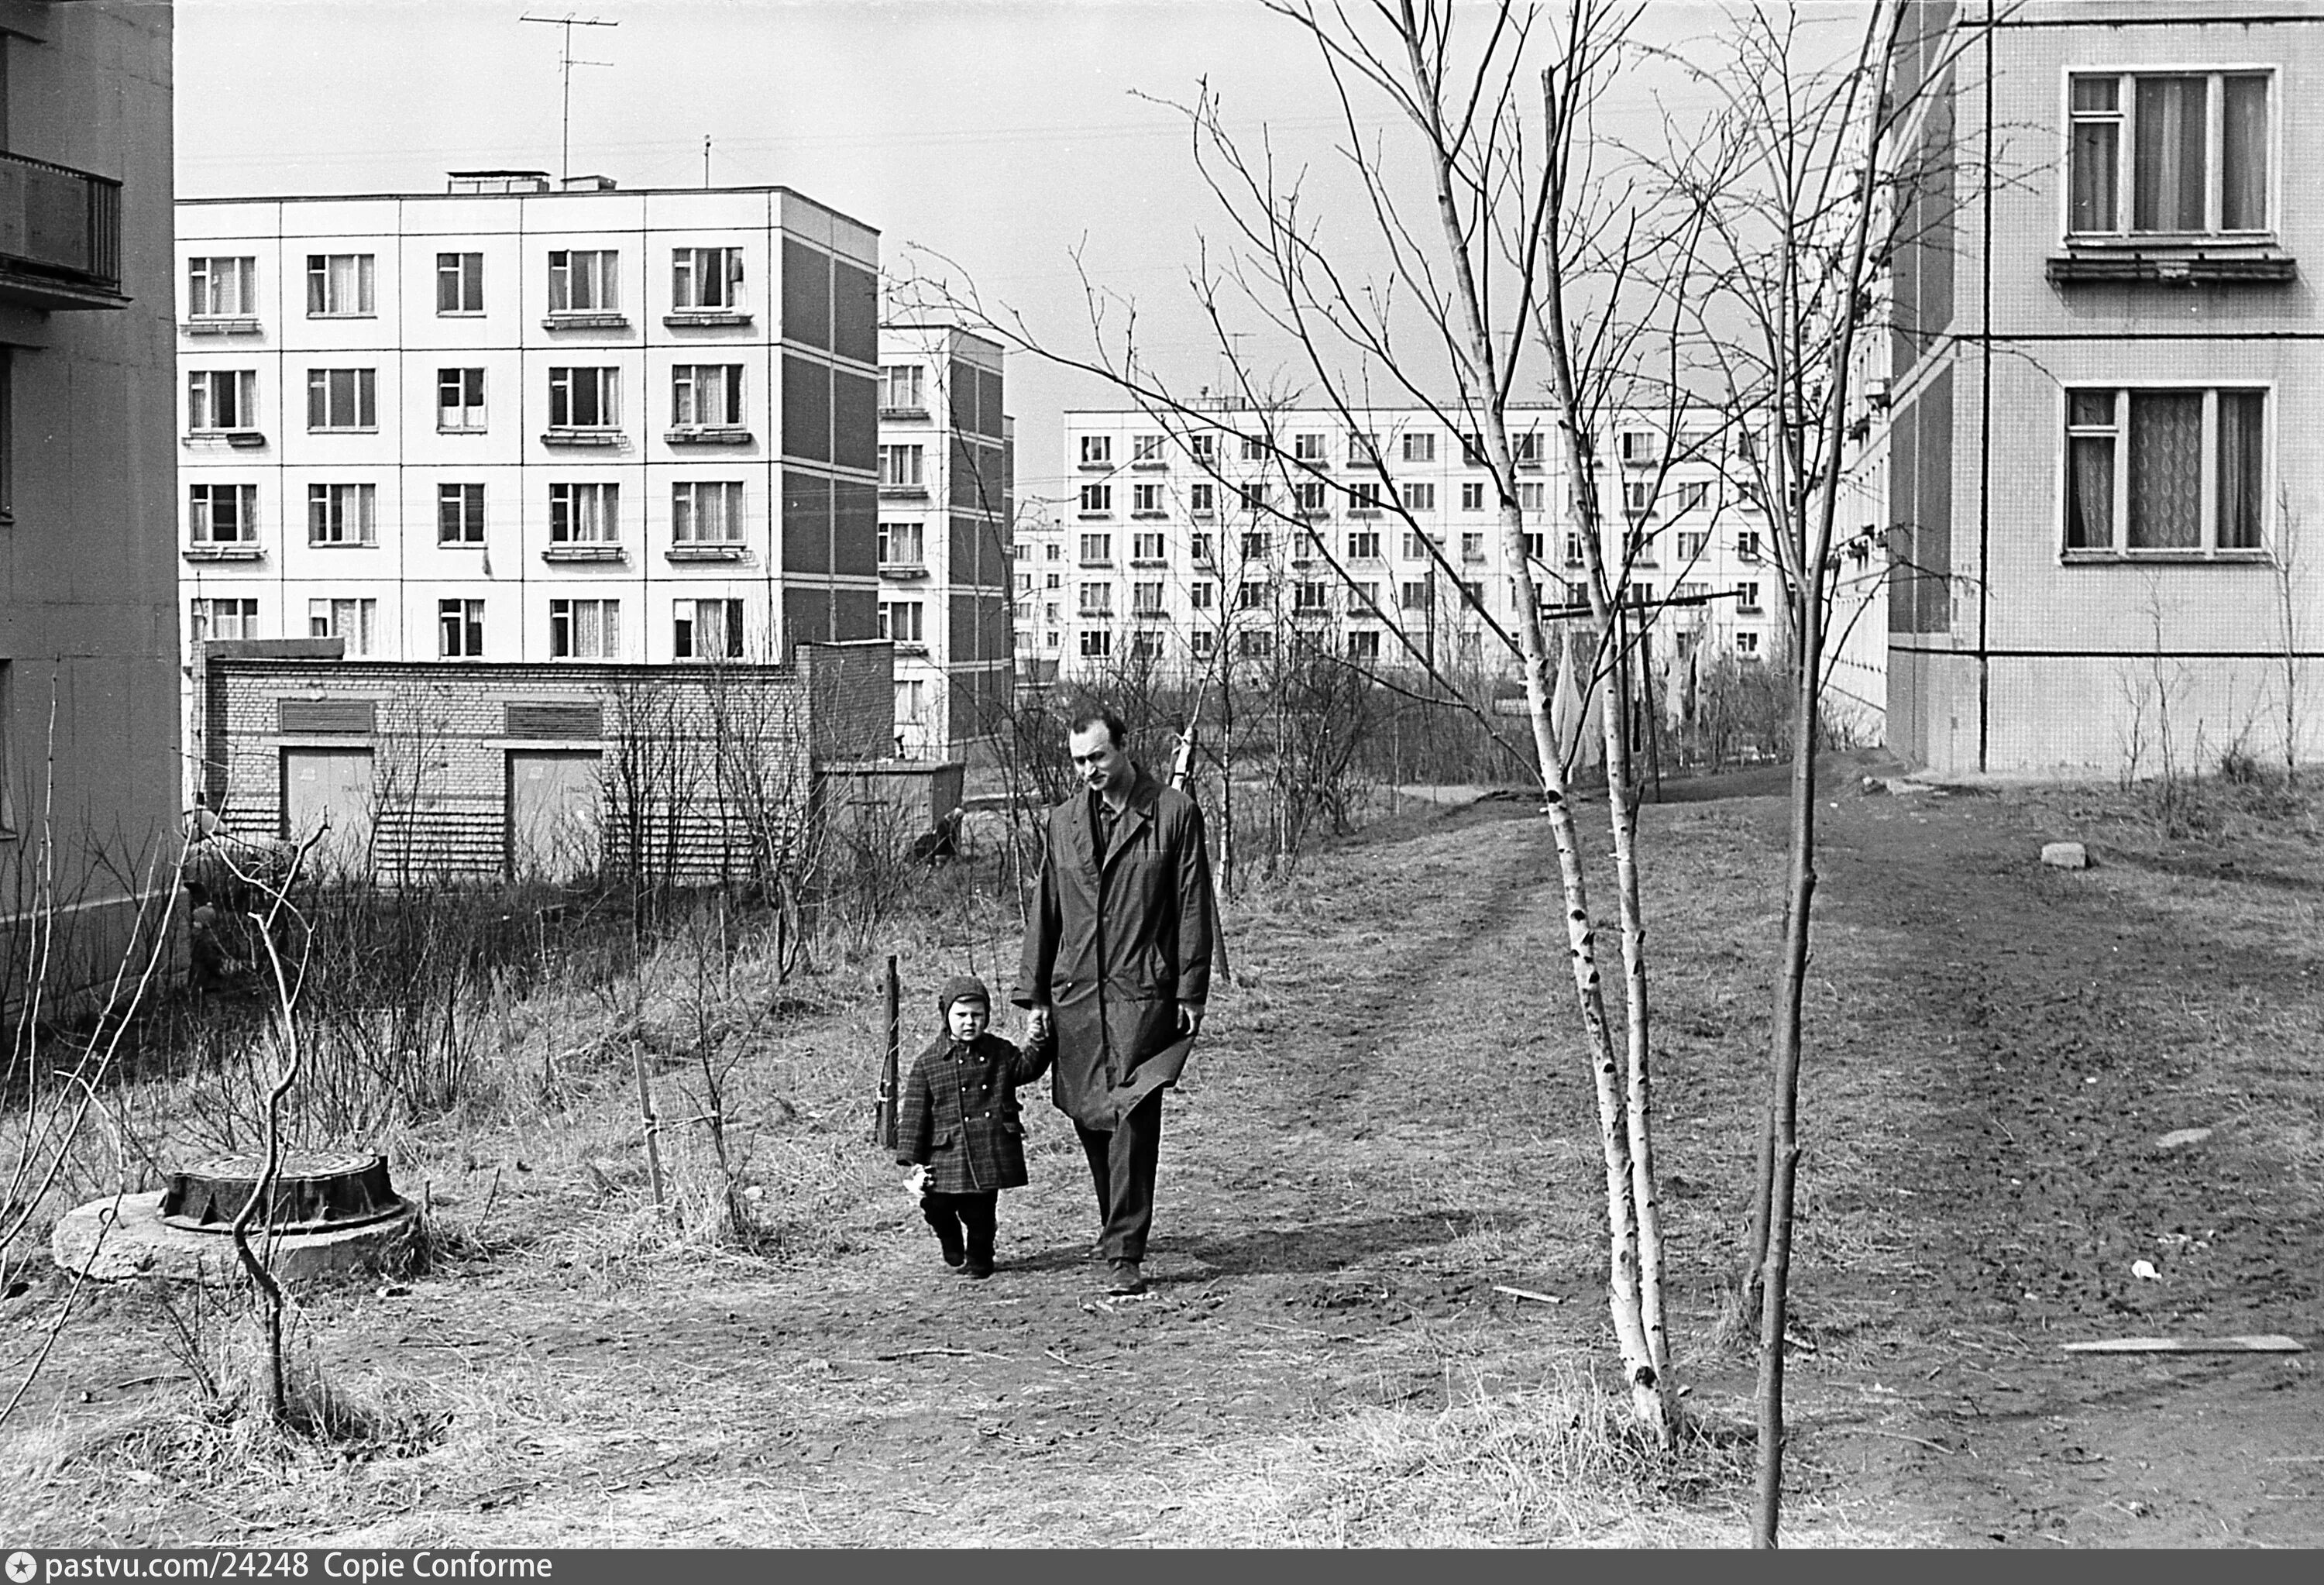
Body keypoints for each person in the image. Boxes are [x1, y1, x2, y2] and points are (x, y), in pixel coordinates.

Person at [1015, 708, 1219, 1297]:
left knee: (1133, 1112)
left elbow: (1191, 904)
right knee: (1089, 1113)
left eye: (1099, 757)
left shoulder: (1173, 813)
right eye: (1079, 761)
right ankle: (1116, 1227)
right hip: (1076, 993)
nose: (1089, 771)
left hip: (1142, 991)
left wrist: (1191, 988)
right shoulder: (1061, 822)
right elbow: (1046, 909)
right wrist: (1034, 996)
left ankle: (1126, 1248)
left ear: (1125, 749)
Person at [894, 975, 1051, 1280]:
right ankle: (949, 1235)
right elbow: (915, 1112)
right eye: (961, 1015)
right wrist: (911, 1157)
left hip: (987, 1147)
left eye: (977, 1015)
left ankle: (980, 1256)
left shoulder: (1000, 1053)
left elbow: (1027, 1068)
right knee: (937, 1205)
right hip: (945, 1152)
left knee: (980, 1213)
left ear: (987, 1016)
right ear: (946, 1016)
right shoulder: (928, 1063)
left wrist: (1038, 1040)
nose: (969, 1022)